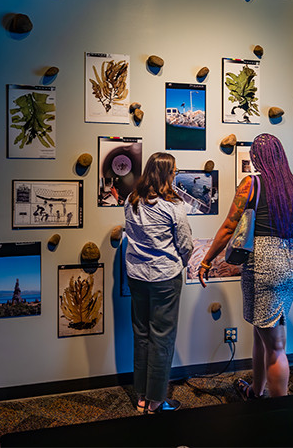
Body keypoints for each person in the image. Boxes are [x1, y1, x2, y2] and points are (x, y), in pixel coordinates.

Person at [198, 133, 293, 398]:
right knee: (263, 331)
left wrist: (207, 261)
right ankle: (256, 390)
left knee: (276, 347)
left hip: (264, 263)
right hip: (292, 261)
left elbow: (230, 226)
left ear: (256, 157)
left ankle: (278, 410)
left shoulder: (251, 184)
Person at [124, 152, 193, 413]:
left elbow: (131, 235)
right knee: (162, 338)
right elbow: (185, 244)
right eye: (174, 170)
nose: (176, 173)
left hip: (137, 276)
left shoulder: (131, 201)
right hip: (165, 277)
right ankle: (156, 400)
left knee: (141, 335)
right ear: (166, 173)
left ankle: (141, 396)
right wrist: (183, 262)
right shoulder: (173, 206)